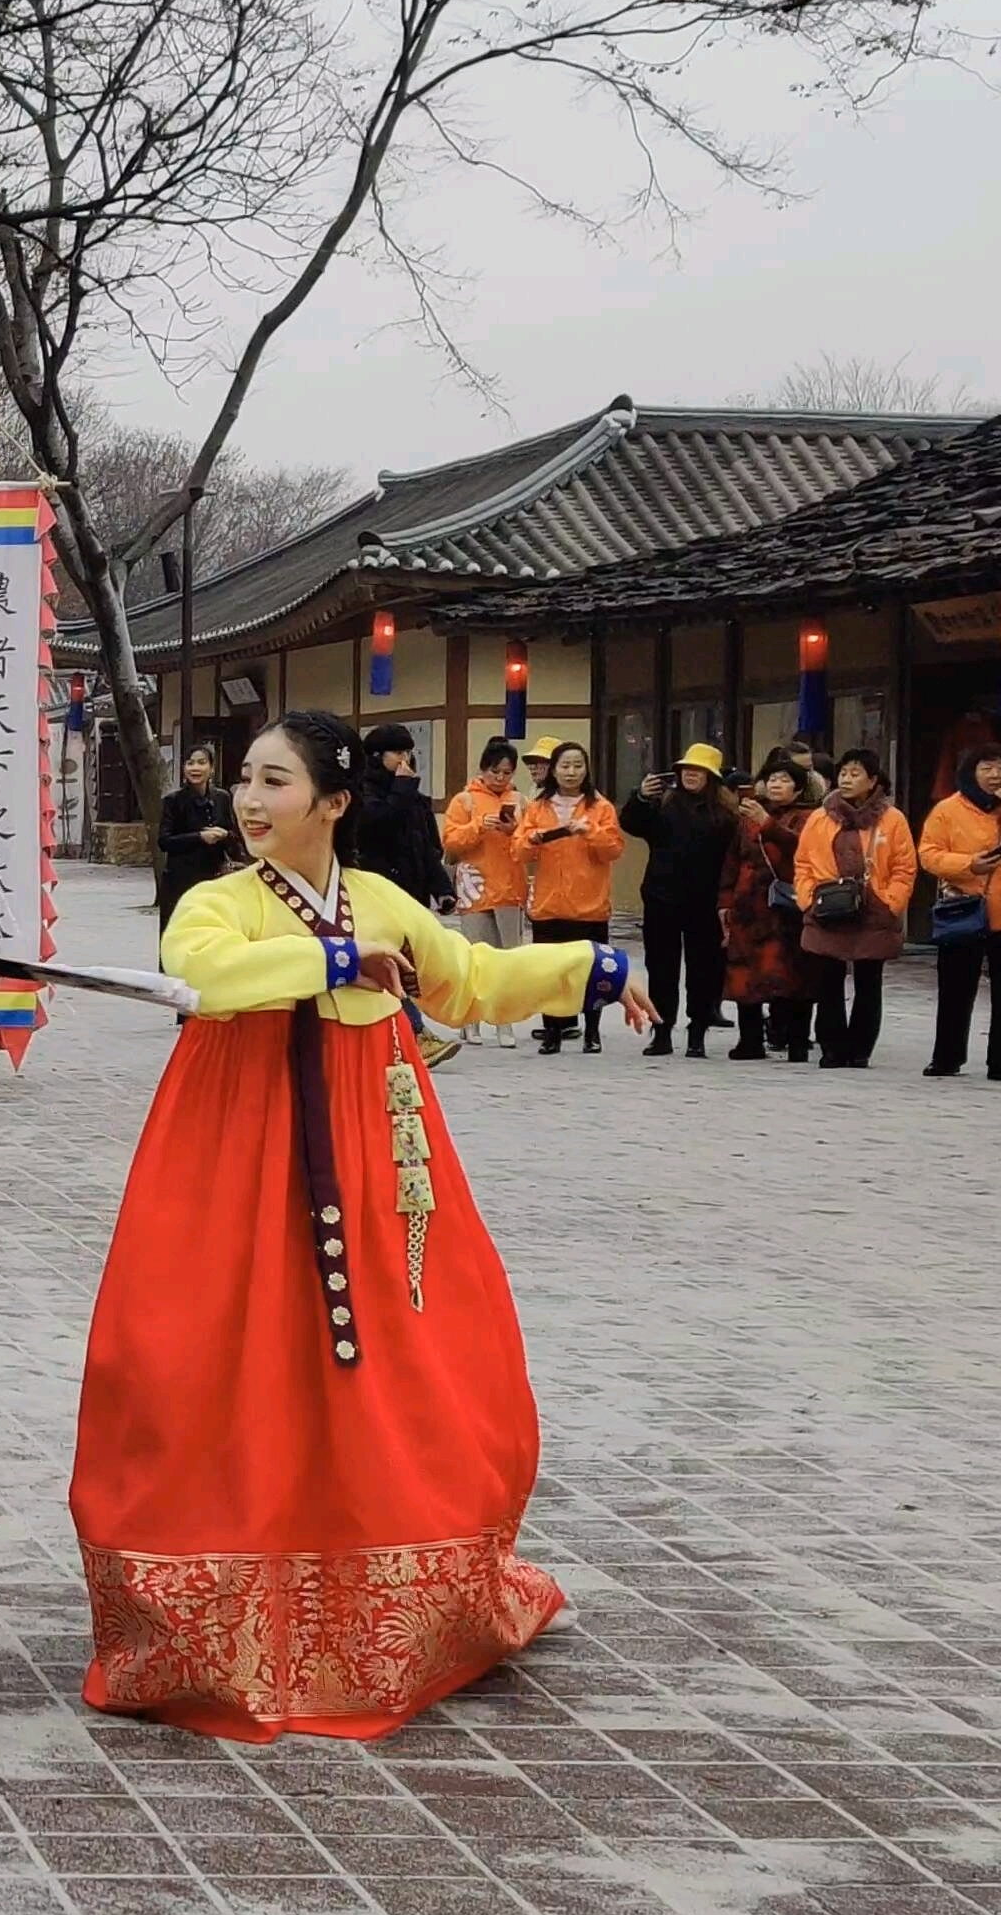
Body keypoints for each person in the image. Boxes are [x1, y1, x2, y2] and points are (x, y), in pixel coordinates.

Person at [72, 709, 646, 1741]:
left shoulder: (379, 898)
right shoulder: (219, 901)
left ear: (332, 802)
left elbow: (465, 984)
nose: (250, 799)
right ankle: (223, 1615)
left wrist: (586, 970)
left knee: (402, 1354)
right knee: (221, 1355)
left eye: (276, 782)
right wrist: (334, 964)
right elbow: (201, 977)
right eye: (246, 778)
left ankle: (383, 1600)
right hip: (234, 1153)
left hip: (376, 1152)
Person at [918, 742, 1001, 1082]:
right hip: (963, 908)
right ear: (970, 772)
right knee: (955, 988)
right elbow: (929, 854)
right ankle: (946, 1058)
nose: (996, 775)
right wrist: (968, 865)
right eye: (986, 768)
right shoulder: (948, 810)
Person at [795, 748, 913, 1069]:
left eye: (855, 774)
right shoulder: (821, 817)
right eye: (844, 773)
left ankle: (860, 1048)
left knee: (868, 982)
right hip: (827, 908)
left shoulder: (893, 819)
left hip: (874, 910)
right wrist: (808, 897)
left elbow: (905, 866)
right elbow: (803, 862)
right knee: (828, 981)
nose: (847, 779)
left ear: (873, 780)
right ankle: (832, 1047)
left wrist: (891, 901)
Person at [621, 744, 741, 1057]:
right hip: (663, 897)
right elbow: (631, 824)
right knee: (661, 967)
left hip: (706, 901)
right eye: (686, 768)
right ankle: (661, 1029)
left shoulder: (727, 815)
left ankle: (698, 1029)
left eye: (698, 770)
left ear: (711, 777)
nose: (690, 774)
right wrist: (641, 797)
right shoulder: (663, 804)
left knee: (705, 968)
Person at [349, 725, 459, 1064]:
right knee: (390, 964)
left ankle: (403, 1035)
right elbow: (375, 824)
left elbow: (427, 848)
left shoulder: (413, 797)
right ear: (378, 756)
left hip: (411, 895)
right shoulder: (360, 792)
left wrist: (442, 889)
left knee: (407, 965)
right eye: (398, 753)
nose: (405, 761)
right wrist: (402, 788)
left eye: (408, 754)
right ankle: (416, 1034)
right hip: (374, 893)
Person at [519, 740, 624, 1053]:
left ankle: (592, 1031)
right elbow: (518, 850)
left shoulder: (600, 807)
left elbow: (614, 849)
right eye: (565, 765)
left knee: (594, 972)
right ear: (553, 769)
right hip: (550, 904)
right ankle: (551, 1031)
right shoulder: (538, 807)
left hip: (590, 905)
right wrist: (532, 839)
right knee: (550, 973)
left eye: (578, 765)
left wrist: (589, 831)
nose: (571, 772)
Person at [720, 752, 819, 1063]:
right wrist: (724, 900)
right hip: (748, 905)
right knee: (745, 974)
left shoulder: (808, 817)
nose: (776, 784)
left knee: (793, 974)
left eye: (785, 780)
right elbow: (733, 859)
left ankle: (796, 1041)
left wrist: (768, 823)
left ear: (799, 789)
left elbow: (801, 848)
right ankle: (750, 1040)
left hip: (788, 905)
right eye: (772, 778)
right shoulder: (746, 819)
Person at [439, 739, 530, 1048]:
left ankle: (505, 1022)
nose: (501, 778)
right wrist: (478, 825)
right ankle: (471, 1019)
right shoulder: (464, 801)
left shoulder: (521, 801)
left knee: (507, 960)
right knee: (475, 957)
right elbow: (451, 843)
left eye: (507, 772)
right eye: (495, 772)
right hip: (474, 885)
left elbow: (530, 842)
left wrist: (512, 831)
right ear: (483, 769)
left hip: (510, 886)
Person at [153, 747, 234, 927]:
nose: (195, 768)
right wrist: (199, 837)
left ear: (212, 768)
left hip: (215, 880)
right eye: (190, 763)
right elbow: (164, 841)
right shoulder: (173, 801)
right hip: (180, 881)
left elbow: (235, 836)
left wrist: (225, 834)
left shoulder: (223, 798)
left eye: (201, 762)